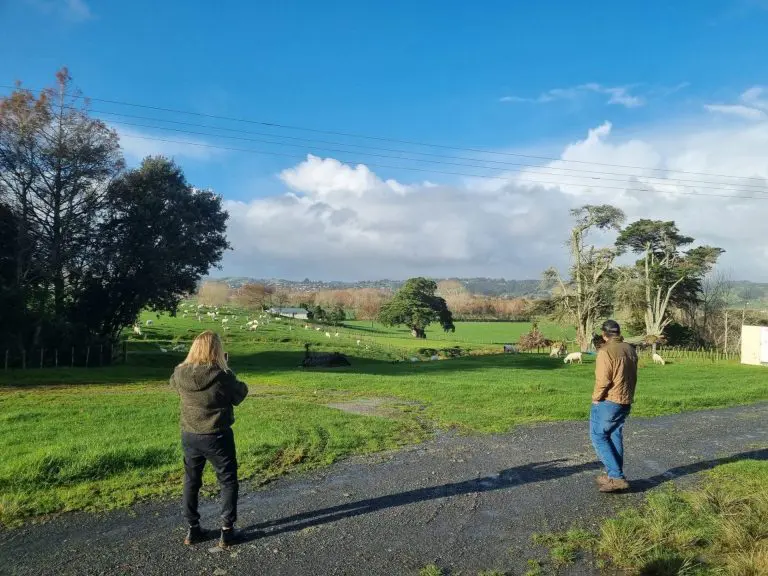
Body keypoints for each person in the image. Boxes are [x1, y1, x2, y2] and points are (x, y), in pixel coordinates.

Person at [170, 330, 249, 548]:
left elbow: (174, 386)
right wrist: (227, 368)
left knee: (191, 481)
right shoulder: (223, 375)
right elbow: (240, 395)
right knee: (227, 481)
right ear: (218, 350)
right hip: (217, 435)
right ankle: (227, 530)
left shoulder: (179, 372)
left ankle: (193, 529)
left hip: (190, 434)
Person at [590, 319, 638, 492]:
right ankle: (614, 475)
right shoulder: (630, 349)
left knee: (598, 436)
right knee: (614, 435)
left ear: (604, 335)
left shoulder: (605, 352)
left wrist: (596, 398)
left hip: (609, 401)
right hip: (626, 399)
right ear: (618, 333)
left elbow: (603, 380)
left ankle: (616, 477)